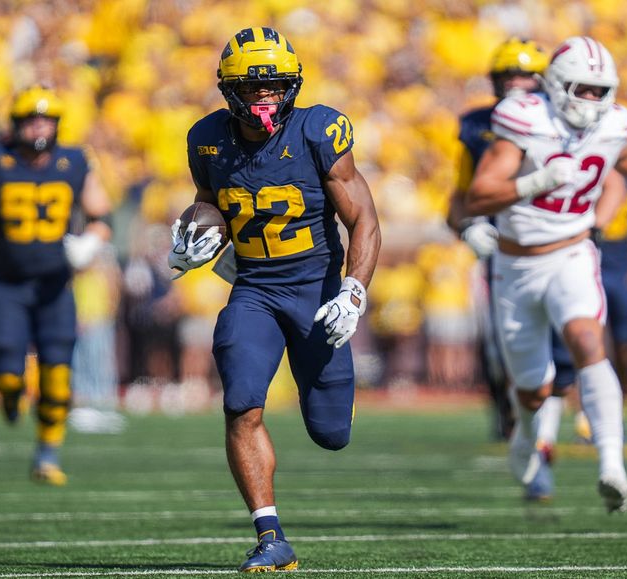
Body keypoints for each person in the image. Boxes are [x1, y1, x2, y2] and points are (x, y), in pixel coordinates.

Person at [168, 27, 380, 572]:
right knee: (241, 403)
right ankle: (270, 536)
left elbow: (363, 217)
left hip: (317, 291)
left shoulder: (318, 130)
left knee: (331, 433)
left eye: (275, 85)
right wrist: (198, 236)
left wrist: (353, 292)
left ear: (293, 85)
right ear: (229, 89)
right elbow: (209, 203)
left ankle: (328, 391)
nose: (265, 95)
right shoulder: (207, 139)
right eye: (252, 86)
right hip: (255, 290)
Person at [466, 36, 627, 513]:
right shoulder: (526, 118)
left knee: (588, 342)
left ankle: (612, 465)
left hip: (573, 253)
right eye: (583, 89)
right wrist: (537, 180)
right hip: (516, 265)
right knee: (533, 389)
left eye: (601, 90)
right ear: (556, 86)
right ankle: (526, 435)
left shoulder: (614, 125)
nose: (592, 100)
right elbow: (479, 195)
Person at [0, 86, 112, 485]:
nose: (39, 127)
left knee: (58, 375)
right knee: (5, 372)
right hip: (7, 283)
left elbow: (101, 216)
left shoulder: (74, 162)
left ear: (57, 125)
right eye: (32, 120)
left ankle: (47, 456)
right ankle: (9, 395)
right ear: (17, 124)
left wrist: (90, 243)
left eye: (46, 120)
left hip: (55, 285)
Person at [447, 37, 549, 444]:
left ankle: (570, 413)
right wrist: (468, 227)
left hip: (553, 241)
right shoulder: (478, 126)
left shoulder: (561, 121)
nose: (514, 83)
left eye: (523, 74)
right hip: (499, 247)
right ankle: (508, 414)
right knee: (497, 342)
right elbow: (458, 197)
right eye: (507, 75)